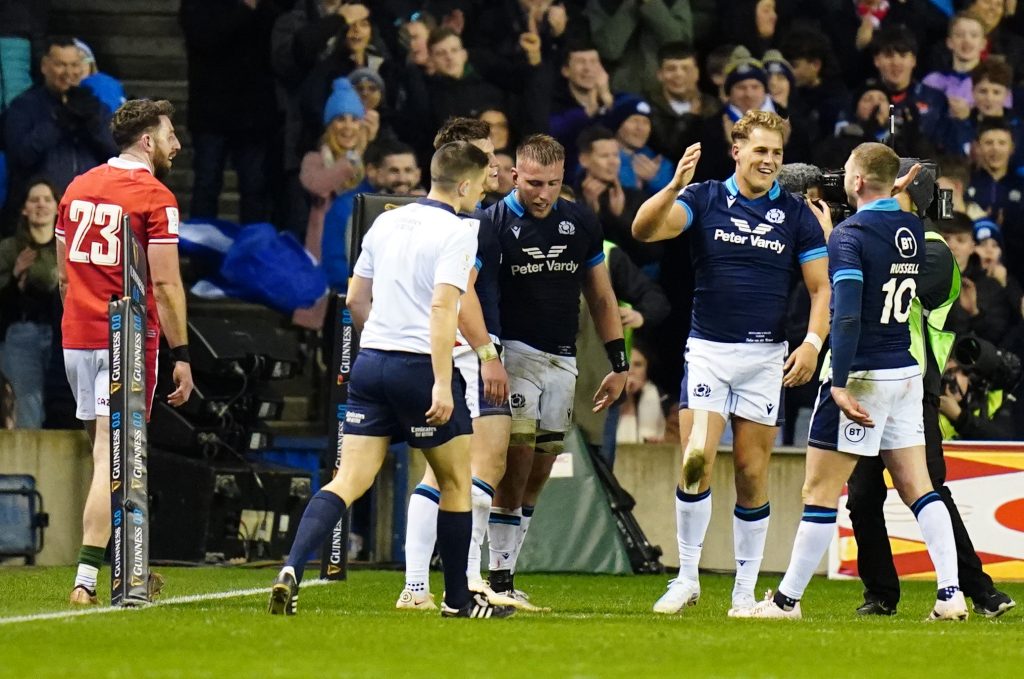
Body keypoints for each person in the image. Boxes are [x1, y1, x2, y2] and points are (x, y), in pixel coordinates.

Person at [268, 141, 514, 620]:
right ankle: (459, 602)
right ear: (464, 185)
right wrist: (442, 383)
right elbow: (446, 306)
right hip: (418, 368)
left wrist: (379, 342)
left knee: (348, 479)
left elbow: (357, 298)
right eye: (483, 183)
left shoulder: (386, 220)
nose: (484, 192)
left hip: (371, 363)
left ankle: (291, 570)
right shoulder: (460, 230)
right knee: (456, 482)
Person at [741, 143, 968, 621]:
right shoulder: (911, 227)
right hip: (905, 373)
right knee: (921, 489)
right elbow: (892, 212)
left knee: (819, 493)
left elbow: (844, 319)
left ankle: (786, 602)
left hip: (862, 374)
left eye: (847, 173)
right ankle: (951, 595)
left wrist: (839, 383)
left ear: (858, 182)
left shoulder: (849, 235)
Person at [631, 110, 830, 617]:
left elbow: (821, 287)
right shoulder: (703, 198)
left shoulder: (796, 214)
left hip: (765, 357)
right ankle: (687, 576)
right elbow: (644, 229)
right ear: (737, 150)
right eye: (761, 150)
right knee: (696, 457)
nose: (769, 160)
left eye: (777, 153)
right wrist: (674, 184)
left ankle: (743, 590)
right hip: (709, 352)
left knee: (750, 469)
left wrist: (810, 343)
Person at [846, 163, 1016, 619]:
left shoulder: (935, 249)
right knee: (863, 495)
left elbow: (880, 287)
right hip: (867, 381)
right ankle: (880, 594)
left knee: (929, 486)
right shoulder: (876, 237)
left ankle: (980, 590)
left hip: (912, 385)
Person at [57, 99, 195, 605]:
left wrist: (81, 315)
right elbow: (165, 283)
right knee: (112, 457)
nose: (175, 144)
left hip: (78, 333)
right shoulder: (155, 197)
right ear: (146, 141)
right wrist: (181, 352)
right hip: (128, 337)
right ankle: (90, 580)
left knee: (105, 452)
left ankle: (126, 567)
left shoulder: (77, 187)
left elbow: (61, 267)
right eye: (168, 134)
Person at [486, 134, 628, 605]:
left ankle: (504, 573)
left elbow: (602, 295)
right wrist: (489, 357)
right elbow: (477, 297)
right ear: (513, 177)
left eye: (551, 183)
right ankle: (496, 577)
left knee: (542, 467)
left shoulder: (580, 221)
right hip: (514, 354)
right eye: (531, 183)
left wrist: (618, 362)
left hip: (562, 359)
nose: (542, 194)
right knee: (517, 457)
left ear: (563, 178)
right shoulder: (493, 224)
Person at [397, 117, 519, 610]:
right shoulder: (470, 225)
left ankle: (418, 586)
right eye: (486, 155)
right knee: (477, 466)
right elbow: (462, 292)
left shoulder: (427, 218)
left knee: (445, 473)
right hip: (469, 354)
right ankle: (465, 580)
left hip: (443, 349)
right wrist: (487, 353)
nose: (494, 164)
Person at [3, 37, 117, 223]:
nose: (69, 72)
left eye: (74, 65)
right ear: (44, 66)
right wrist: (57, 121)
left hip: (88, 213)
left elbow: (115, 153)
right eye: (61, 65)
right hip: (40, 218)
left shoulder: (95, 107)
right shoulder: (23, 107)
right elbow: (20, 156)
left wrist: (93, 123)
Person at [0, 179, 60, 428]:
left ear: (58, 207)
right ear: (24, 208)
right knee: (28, 409)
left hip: (62, 338)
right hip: (22, 333)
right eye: (34, 200)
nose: (41, 205)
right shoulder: (9, 248)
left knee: (61, 410)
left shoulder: (68, 249)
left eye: (47, 199)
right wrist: (15, 280)